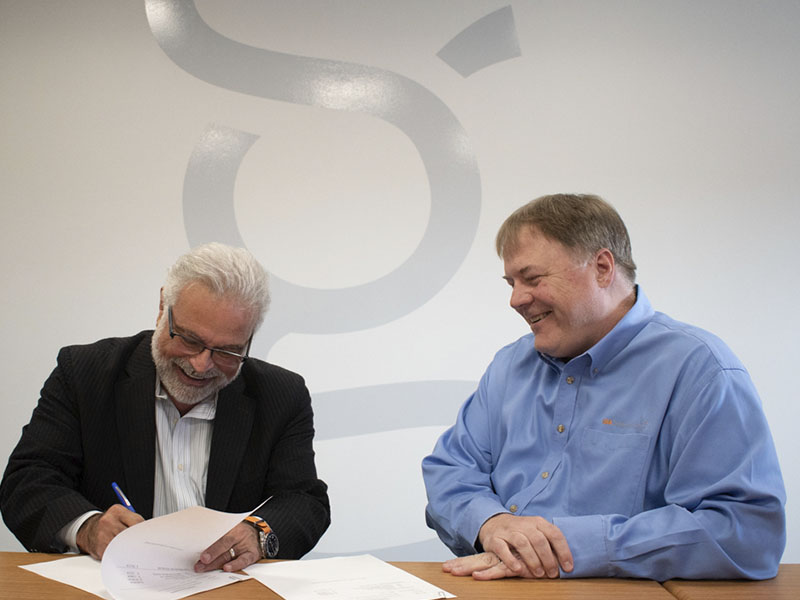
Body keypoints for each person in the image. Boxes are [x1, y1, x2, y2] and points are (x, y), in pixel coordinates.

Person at [422, 194, 785, 581]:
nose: (515, 299)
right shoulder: (509, 365)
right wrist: (491, 523)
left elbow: (746, 532)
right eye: (511, 282)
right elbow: (450, 469)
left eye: (532, 278)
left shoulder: (700, 369)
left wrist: (570, 546)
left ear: (602, 267)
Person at [1, 243, 330, 572]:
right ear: (162, 308)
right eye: (189, 339)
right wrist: (88, 528)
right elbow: (27, 481)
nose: (201, 365)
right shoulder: (85, 374)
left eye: (228, 351)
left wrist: (256, 533)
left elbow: (304, 500)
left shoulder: (281, 394)